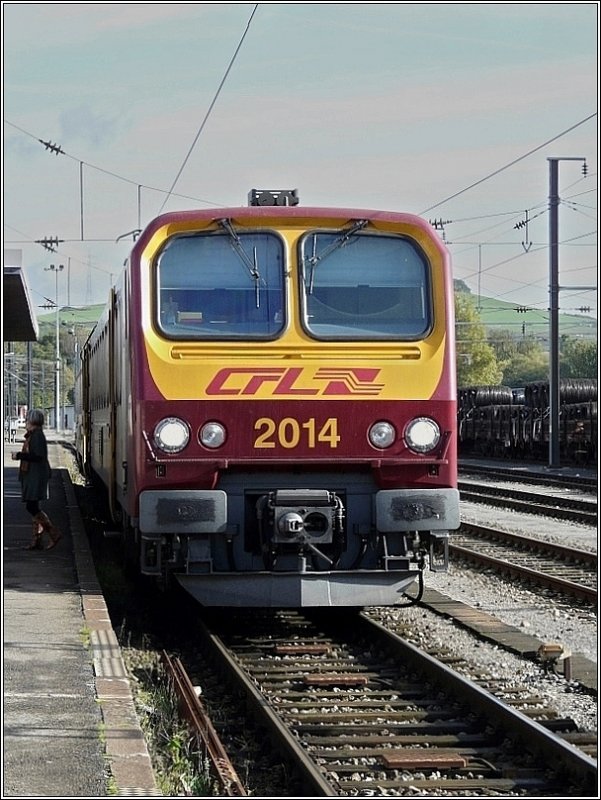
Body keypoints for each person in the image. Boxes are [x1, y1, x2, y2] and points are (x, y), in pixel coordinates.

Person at [11, 409, 62, 550]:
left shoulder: (37, 436)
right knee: (34, 506)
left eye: (27, 420)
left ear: (33, 422)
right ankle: (37, 541)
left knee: (31, 506)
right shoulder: (34, 435)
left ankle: (53, 533)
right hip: (33, 474)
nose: (25, 422)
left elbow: (37, 456)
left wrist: (20, 456)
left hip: (36, 475)